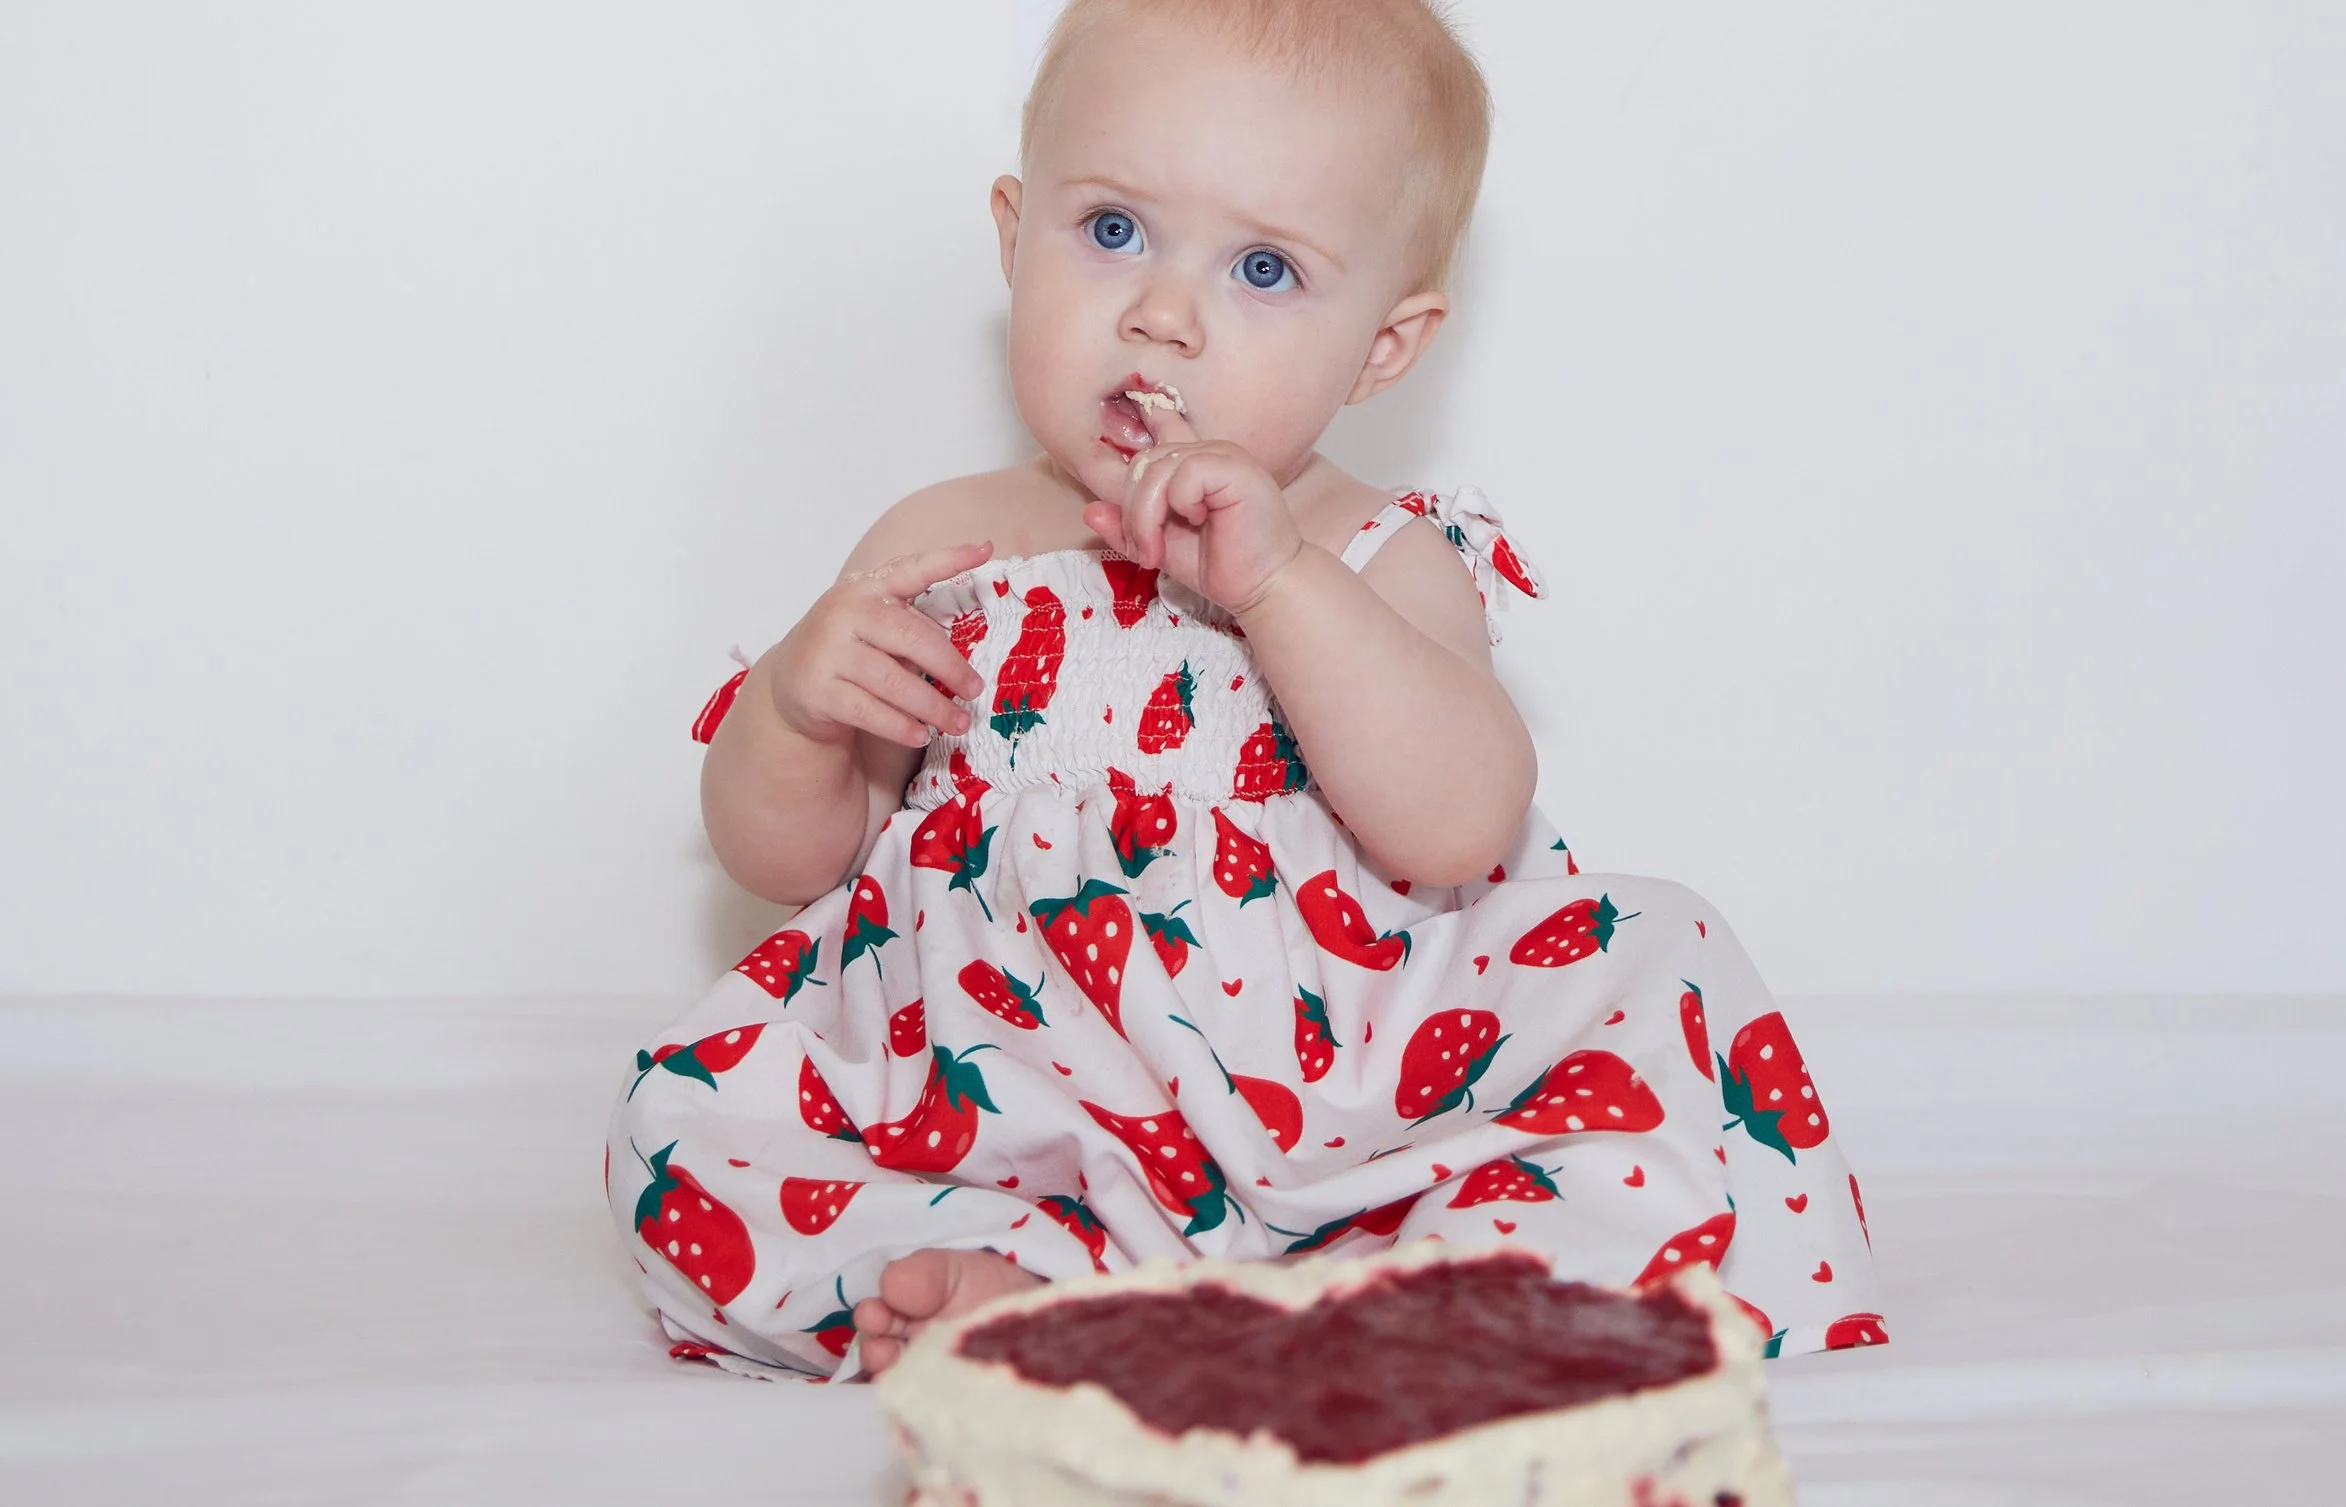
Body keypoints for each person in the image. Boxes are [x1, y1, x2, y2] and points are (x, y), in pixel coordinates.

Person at [608, 0, 1883, 1382]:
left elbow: (1461, 825)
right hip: (1003, 1101)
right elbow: (793, 862)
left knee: (1660, 964)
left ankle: (1399, 1294)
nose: (1161, 315)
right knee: (679, 1123)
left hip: (1339, 1108)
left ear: (1381, 350)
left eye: (1263, 270)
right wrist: (797, 708)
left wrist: (1279, 586)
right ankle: (1012, 1284)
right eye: (1110, 232)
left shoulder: (1374, 555)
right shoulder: (953, 540)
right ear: (1010, 234)